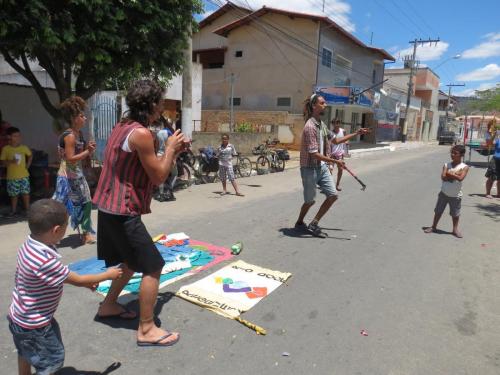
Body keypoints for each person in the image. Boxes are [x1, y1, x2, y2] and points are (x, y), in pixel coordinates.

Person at [92, 79, 185, 347]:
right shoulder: (143, 135)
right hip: (123, 211)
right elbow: (157, 176)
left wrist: (171, 153)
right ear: (152, 105)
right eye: (160, 103)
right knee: (153, 266)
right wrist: (169, 149)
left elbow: (145, 166)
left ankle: (109, 305)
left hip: (108, 207)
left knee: (130, 261)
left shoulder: (122, 126)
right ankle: (146, 328)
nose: (162, 109)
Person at [7, 199, 122, 375]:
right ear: (56, 230)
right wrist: (107, 275)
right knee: (51, 360)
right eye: (66, 226)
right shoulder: (45, 261)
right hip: (35, 325)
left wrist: (86, 283)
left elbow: (65, 278)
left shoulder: (30, 244)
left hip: (21, 317)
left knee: (26, 351)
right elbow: (76, 279)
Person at [295, 94, 369, 237]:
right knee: (309, 201)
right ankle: (299, 222)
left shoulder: (321, 125)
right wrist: (335, 161)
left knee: (333, 195)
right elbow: (313, 154)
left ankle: (314, 223)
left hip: (321, 167)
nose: (325, 105)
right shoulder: (310, 126)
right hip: (309, 168)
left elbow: (336, 141)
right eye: (322, 103)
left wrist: (356, 133)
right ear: (314, 106)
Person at [52, 96, 96, 244]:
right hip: (67, 177)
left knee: (86, 203)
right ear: (73, 118)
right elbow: (70, 158)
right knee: (61, 207)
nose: (84, 118)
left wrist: (87, 153)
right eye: (81, 116)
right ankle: (49, 234)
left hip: (77, 175)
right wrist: (87, 152)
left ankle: (85, 233)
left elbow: (79, 156)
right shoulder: (69, 136)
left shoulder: (79, 134)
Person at [424, 144, 469, 238]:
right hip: (444, 193)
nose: (452, 154)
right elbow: (443, 177)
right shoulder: (446, 165)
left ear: (461, 155)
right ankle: (433, 226)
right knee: (438, 211)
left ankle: (455, 229)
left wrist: (449, 174)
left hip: (456, 195)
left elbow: (461, 178)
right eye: (452, 152)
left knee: (455, 214)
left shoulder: (464, 167)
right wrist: (454, 174)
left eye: (455, 153)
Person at [0, 126, 32, 217]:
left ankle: (28, 210)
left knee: (26, 193)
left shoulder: (23, 147)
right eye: (15, 136)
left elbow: (30, 155)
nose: (18, 138)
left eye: (19, 136)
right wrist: (11, 161)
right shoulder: (6, 149)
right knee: (14, 195)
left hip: (24, 175)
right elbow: (2, 162)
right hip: (12, 176)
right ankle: (13, 211)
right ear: (9, 137)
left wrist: (28, 165)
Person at [328, 118, 363, 191]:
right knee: (330, 170)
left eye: (337, 123)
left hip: (340, 154)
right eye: (334, 123)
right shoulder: (330, 133)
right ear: (332, 124)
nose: (336, 124)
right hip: (332, 155)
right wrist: (329, 155)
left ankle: (337, 184)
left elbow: (346, 139)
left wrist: (346, 143)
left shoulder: (343, 131)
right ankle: (330, 185)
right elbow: (329, 145)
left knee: (340, 170)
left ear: (339, 123)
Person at [156, 116, 177, 201]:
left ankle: (161, 194)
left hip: (159, 155)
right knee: (175, 173)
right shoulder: (169, 132)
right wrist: (174, 158)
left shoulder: (158, 133)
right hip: (168, 155)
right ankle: (169, 190)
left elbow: (156, 146)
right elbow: (172, 146)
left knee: (161, 176)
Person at [485, 120, 499, 199]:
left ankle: (498, 193)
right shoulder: (492, 134)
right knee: (492, 176)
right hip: (496, 158)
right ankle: (488, 193)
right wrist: (494, 134)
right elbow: (489, 143)